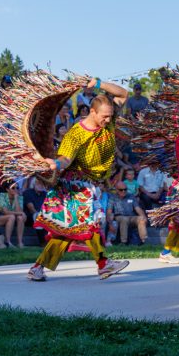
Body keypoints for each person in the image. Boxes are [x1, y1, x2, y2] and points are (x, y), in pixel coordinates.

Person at [28, 78, 131, 282]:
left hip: (91, 182)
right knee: (90, 222)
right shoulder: (75, 134)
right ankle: (103, 264)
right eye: (104, 117)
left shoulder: (108, 122)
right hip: (73, 184)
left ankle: (37, 267)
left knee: (68, 231)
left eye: (110, 116)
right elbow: (65, 159)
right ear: (92, 112)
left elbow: (123, 94)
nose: (108, 121)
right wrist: (54, 164)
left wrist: (99, 83)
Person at [0, 182, 26, 248]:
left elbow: (19, 212)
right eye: (13, 188)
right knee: (12, 217)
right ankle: (8, 242)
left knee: (20, 218)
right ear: (7, 189)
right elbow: (5, 212)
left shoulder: (20, 197)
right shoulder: (1, 195)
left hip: (12, 217)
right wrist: (21, 213)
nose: (16, 189)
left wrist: (16, 198)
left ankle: (20, 243)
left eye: (17, 188)